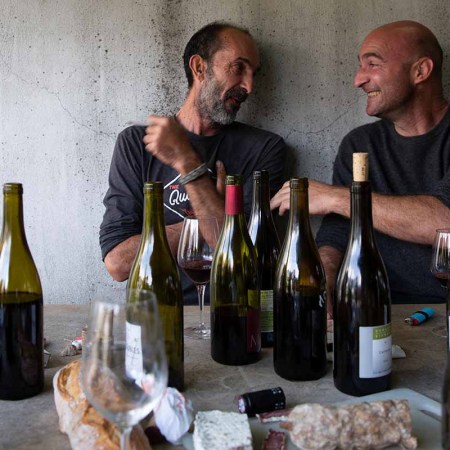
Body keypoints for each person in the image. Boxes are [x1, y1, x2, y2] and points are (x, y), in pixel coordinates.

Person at [100, 22, 286, 303]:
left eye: (253, 74)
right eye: (238, 68)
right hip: (155, 320)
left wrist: (186, 162)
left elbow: (239, 254)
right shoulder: (138, 143)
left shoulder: (264, 149)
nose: (249, 86)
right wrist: (204, 222)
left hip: (230, 315)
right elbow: (117, 264)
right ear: (199, 68)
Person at [271, 20, 450, 310]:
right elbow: (338, 230)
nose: (358, 79)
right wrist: (326, 276)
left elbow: (445, 223)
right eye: (360, 65)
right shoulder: (359, 145)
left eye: (373, 64)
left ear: (421, 71)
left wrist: (335, 197)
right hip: (372, 309)